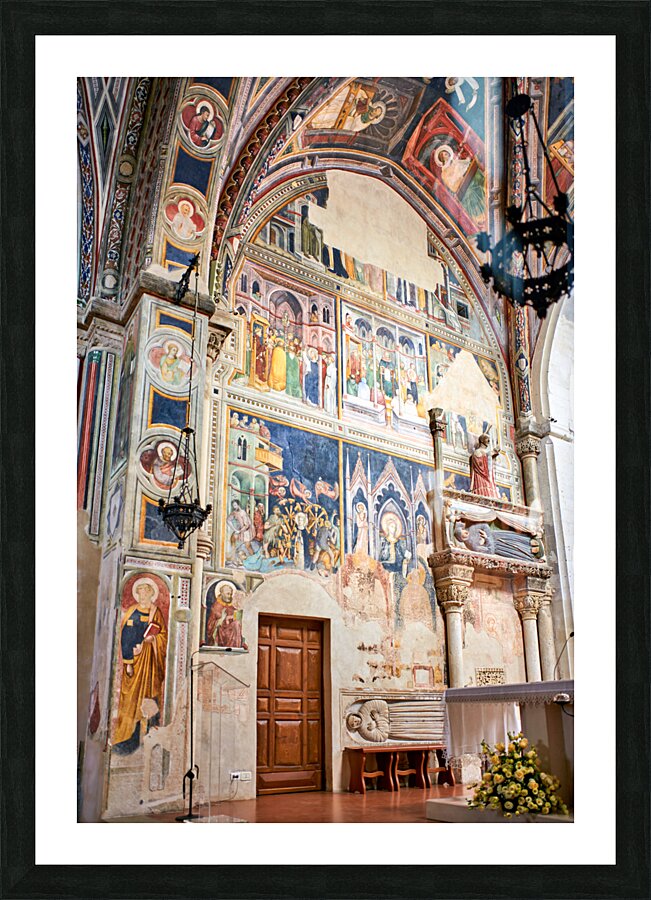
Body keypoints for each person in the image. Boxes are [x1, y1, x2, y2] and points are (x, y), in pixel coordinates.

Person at [113, 578, 167, 754]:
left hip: (151, 661)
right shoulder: (132, 611)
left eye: (146, 592)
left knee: (151, 695)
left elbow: (163, 635)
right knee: (131, 698)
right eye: (141, 592)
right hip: (135, 662)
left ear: (151, 594)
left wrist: (154, 639)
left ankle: (152, 734)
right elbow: (125, 637)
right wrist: (128, 662)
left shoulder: (155, 611)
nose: (143, 595)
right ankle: (128, 737)